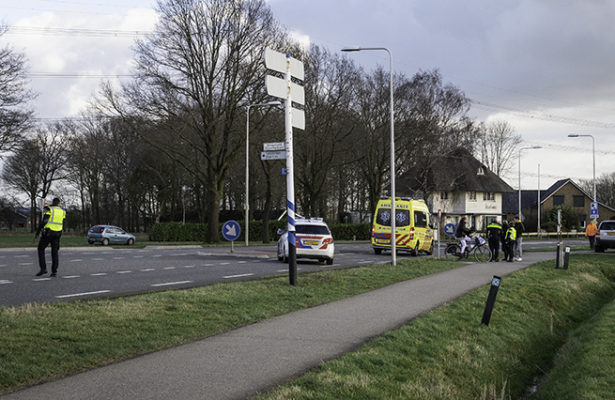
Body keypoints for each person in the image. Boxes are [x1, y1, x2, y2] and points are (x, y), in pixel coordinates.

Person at [35, 198, 66, 277]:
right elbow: (63, 222)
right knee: (54, 252)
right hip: (58, 233)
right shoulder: (63, 211)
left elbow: (44, 221)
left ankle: (43, 268)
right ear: (59, 203)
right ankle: (54, 271)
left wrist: (38, 232)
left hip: (48, 232)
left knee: (41, 249)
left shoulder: (50, 210)